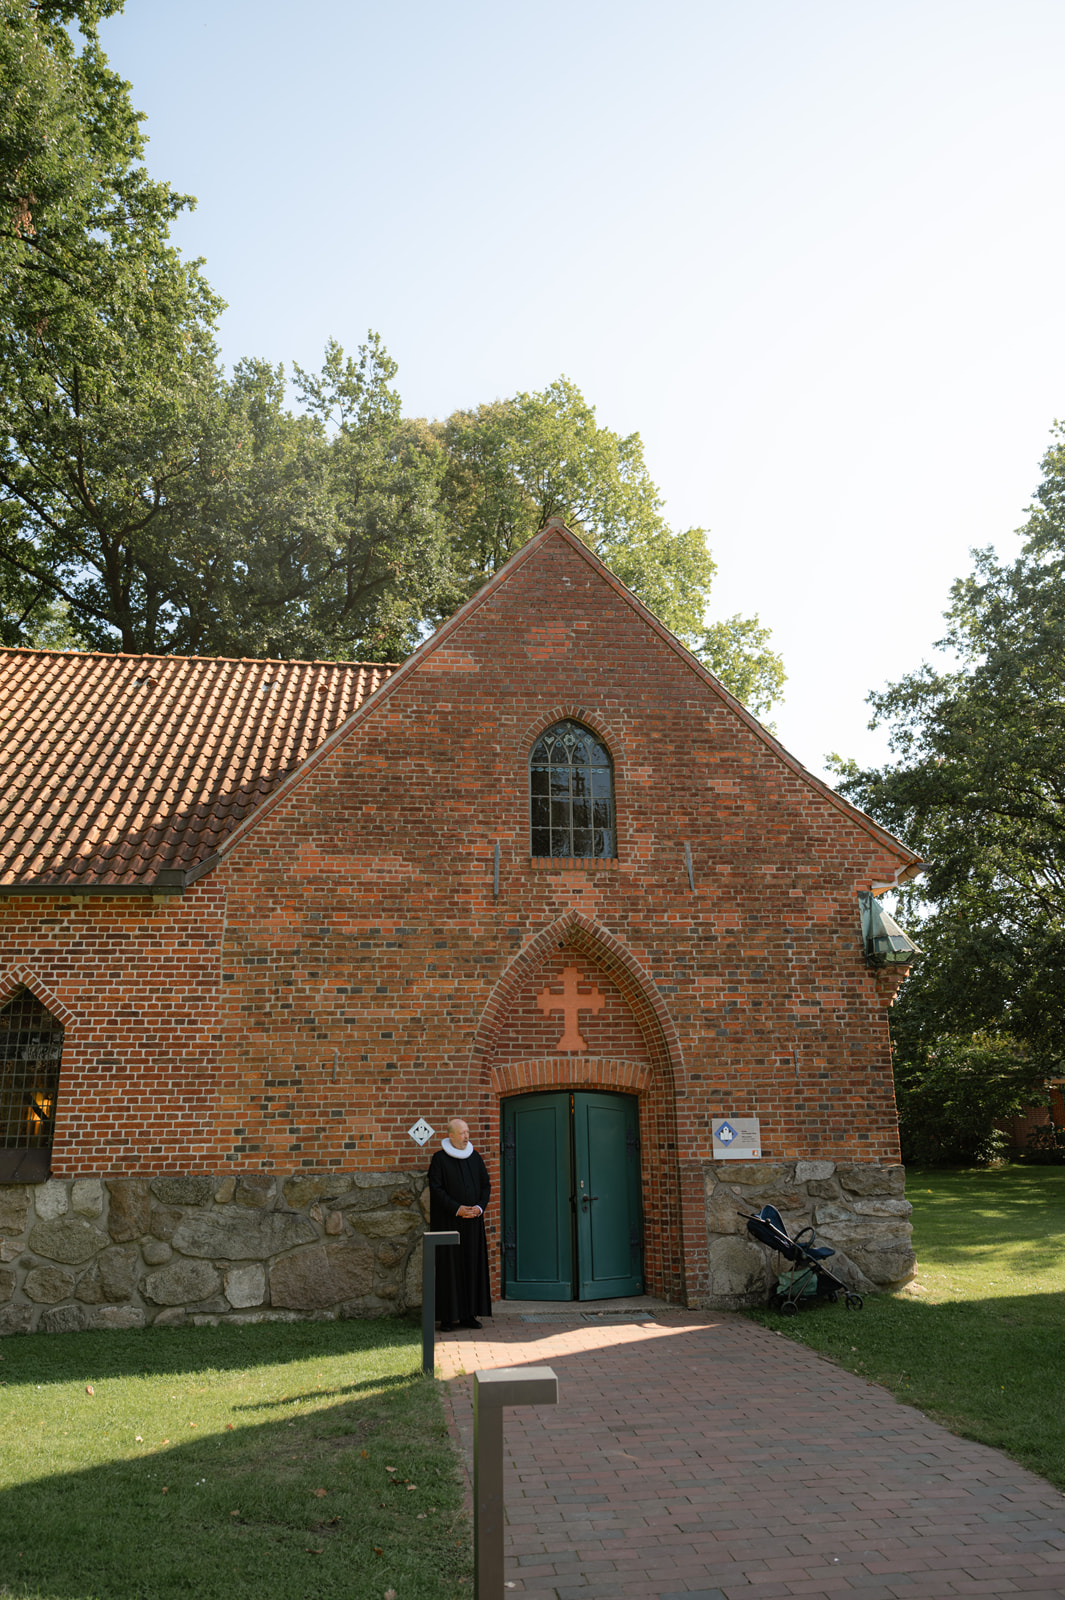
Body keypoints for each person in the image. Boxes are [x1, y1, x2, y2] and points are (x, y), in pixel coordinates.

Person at [428, 1117, 492, 1331]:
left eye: (467, 1132)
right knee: (450, 1268)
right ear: (451, 1136)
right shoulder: (439, 1159)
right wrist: (457, 1208)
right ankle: (447, 1318)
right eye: (462, 1133)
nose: (467, 1136)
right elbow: (436, 1189)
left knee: (471, 1266)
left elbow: (486, 1185)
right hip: (449, 1222)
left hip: (473, 1223)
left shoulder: (475, 1157)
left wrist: (479, 1207)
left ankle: (469, 1315)